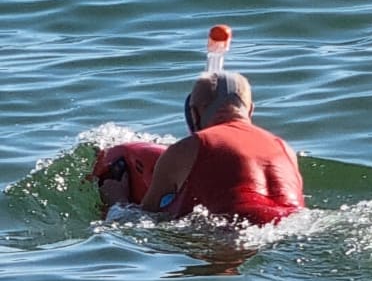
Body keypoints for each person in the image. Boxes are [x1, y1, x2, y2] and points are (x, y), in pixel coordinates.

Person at [100, 71, 305, 225]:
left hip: (232, 234)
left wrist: (116, 201)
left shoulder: (189, 148)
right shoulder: (284, 147)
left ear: (194, 113)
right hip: (294, 227)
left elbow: (144, 220)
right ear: (250, 109)